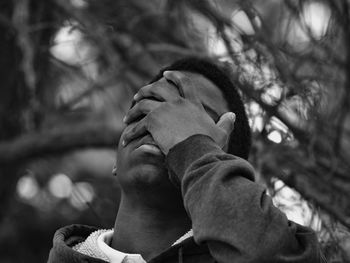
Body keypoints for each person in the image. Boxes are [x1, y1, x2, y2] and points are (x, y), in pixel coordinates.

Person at [48, 57, 324, 263]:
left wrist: (191, 148)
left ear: (224, 165)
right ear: (116, 162)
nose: (161, 123)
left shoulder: (278, 245)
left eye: (194, 118)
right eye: (151, 105)